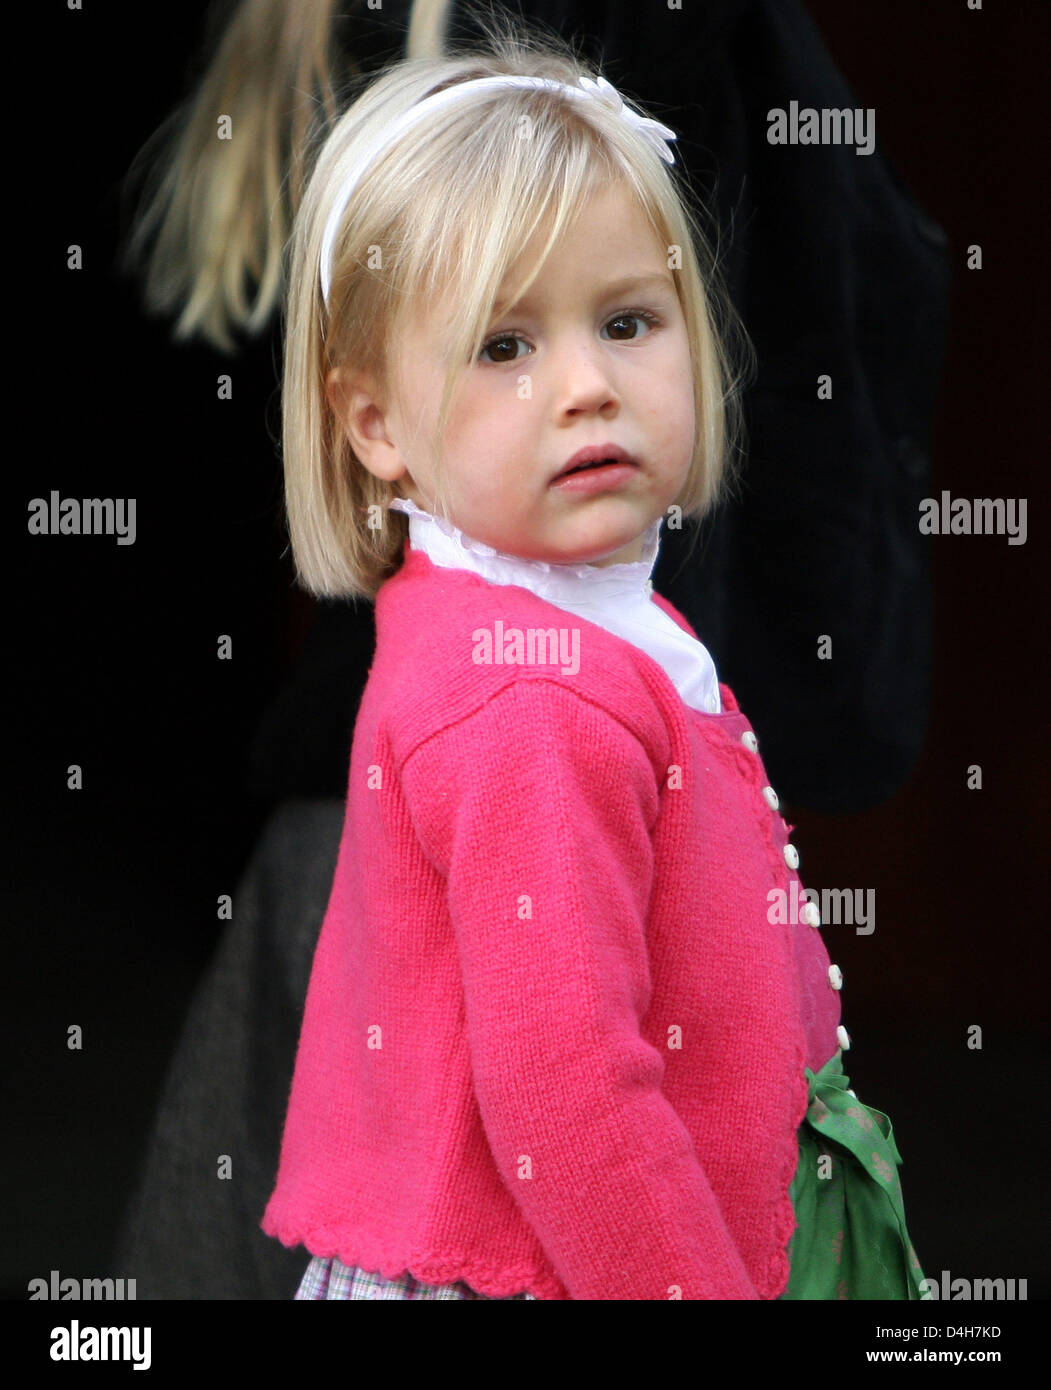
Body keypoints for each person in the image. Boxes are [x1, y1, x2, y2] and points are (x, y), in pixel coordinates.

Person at [113, 0, 948, 1299]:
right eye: (506, 345)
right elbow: (575, 1104)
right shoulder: (525, 699)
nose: (586, 384)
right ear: (375, 424)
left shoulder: (576, 601)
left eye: (628, 321)